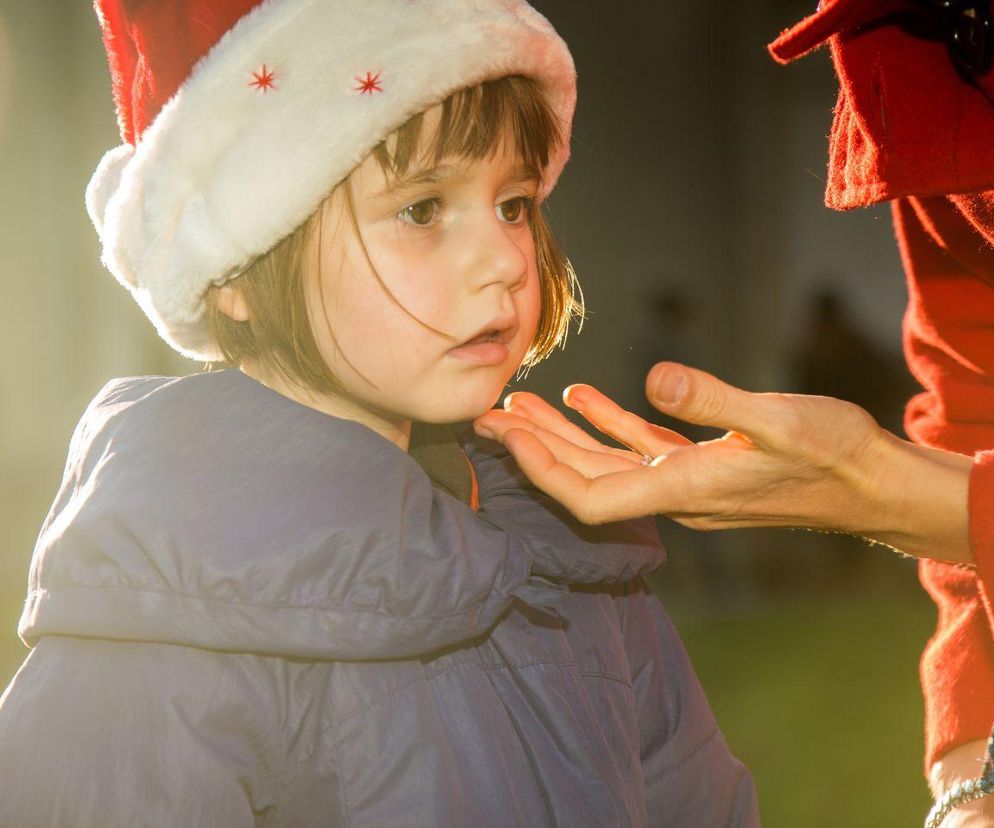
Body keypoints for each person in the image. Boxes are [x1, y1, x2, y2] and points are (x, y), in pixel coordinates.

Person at [0, 1, 760, 825]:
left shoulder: (574, 559)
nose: (506, 259)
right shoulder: (165, 624)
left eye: (514, 203)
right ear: (238, 270)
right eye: (423, 209)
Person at [475, 1, 994, 824]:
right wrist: (975, 764)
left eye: (514, 207)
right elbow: (976, 390)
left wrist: (875, 488)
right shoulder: (916, 30)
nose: (497, 263)